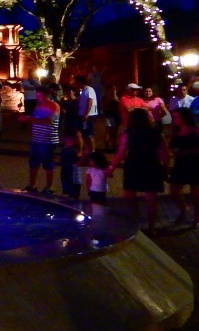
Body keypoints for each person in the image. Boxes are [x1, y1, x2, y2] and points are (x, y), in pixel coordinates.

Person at [107, 108, 170, 236]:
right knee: (151, 199)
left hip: (134, 164)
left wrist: (112, 166)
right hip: (152, 165)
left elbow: (121, 152)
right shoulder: (157, 133)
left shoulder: (129, 133)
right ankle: (152, 227)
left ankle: (135, 225)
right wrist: (165, 169)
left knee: (130, 197)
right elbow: (165, 154)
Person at [21, 84, 61, 195]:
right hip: (36, 139)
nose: (38, 98)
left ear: (46, 95)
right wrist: (28, 119)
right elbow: (35, 118)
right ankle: (32, 185)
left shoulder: (53, 106)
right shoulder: (38, 106)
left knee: (48, 164)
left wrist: (28, 119)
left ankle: (50, 187)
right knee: (33, 163)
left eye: (39, 96)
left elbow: (46, 121)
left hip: (48, 140)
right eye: (37, 96)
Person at [167, 106, 199, 229]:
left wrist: (183, 153)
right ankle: (184, 208)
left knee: (195, 194)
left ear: (185, 117)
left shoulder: (195, 131)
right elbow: (172, 145)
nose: (175, 119)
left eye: (177, 117)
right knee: (174, 190)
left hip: (195, 164)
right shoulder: (176, 130)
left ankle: (197, 218)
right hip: (180, 164)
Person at [74, 74, 99, 155]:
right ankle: (85, 151)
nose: (75, 84)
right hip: (83, 115)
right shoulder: (83, 90)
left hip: (88, 115)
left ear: (80, 82)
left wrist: (86, 114)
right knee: (82, 133)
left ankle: (92, 152)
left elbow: (90, 101)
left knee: (89, 134)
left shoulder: (89, 89)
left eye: (76, 82)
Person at [59, 134, 81, 200]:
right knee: (74, 193)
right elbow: (77, 162)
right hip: (72, 175)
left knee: (70, 193)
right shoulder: (71, 151)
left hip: (66, 173)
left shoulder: (64, 150)